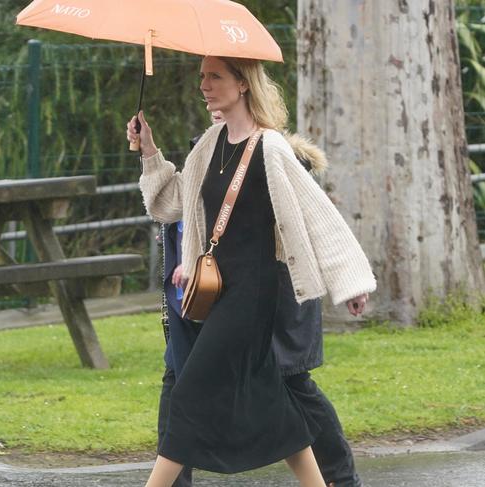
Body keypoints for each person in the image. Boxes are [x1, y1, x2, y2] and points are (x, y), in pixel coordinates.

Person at [127, 55, 376, 487]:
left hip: (255, 295)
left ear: (242, 84)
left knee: (189, 394)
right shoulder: (210, 142)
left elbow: (319, 217)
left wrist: (350, 281)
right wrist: (149, 151)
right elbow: (171, 203)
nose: (204, 85)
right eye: (202, 76)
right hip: (220, 292)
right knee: (271, 400)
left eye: (215, 76)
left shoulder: (272, 147)